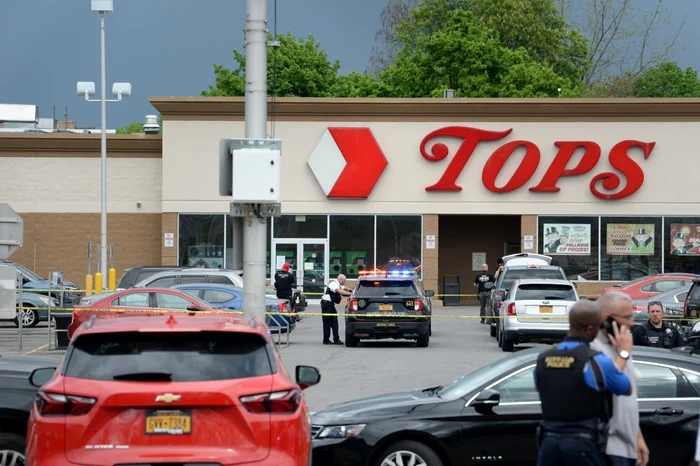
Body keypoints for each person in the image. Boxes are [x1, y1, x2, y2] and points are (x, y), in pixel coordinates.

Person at [535, 300, 633, 466]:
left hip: (549, 444)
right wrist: (623, 353)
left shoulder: (543, 359)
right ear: (589, 329)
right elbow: (625, 388)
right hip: (582, 445)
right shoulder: (596, 361)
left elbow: (542, 387)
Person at [591, 292, 650, 466]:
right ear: (608, 319)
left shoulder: (622, 343)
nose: (632, 323)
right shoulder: (591, 347)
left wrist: (637, 437)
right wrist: (622, 354)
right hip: (607, 446)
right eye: (627, 317)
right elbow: (606, 386)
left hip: (627, 444)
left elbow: (628, 398)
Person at [321, 274, 352, 345]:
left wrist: (352, 290)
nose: (345, 281)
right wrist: (351, 294)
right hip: (327, 305)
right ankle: (326, 340)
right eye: (344, 280)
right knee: (327, 323)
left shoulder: (337, 284)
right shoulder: (333, 284)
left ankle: (336, 339)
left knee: (335, 322)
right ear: (340, 279)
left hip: (331, 305)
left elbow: (344, 288)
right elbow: (340, 291)